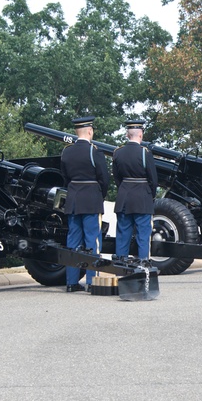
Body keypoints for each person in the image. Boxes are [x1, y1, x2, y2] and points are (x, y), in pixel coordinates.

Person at [60, 116, 110, 292]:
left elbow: (65, 177)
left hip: (73, 199)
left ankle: (71, 283)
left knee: (73, 241)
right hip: (91, 200)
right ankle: (92, 281)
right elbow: (104, 178)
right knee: (92, 241)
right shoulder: (94, 151)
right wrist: (99, 195)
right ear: (90, 131)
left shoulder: (67, 151)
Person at [112, 118, 157, 262]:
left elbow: (117, 177)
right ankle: (143, 267)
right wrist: (151, 196)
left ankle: (121, 266)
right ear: (141, 134)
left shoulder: (118, 153)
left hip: (124, 197)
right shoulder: (145, 153)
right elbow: (153, 179)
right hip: (142, 198)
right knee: (143, 236)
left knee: (122, 235)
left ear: (127, 135)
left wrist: (125, 189)